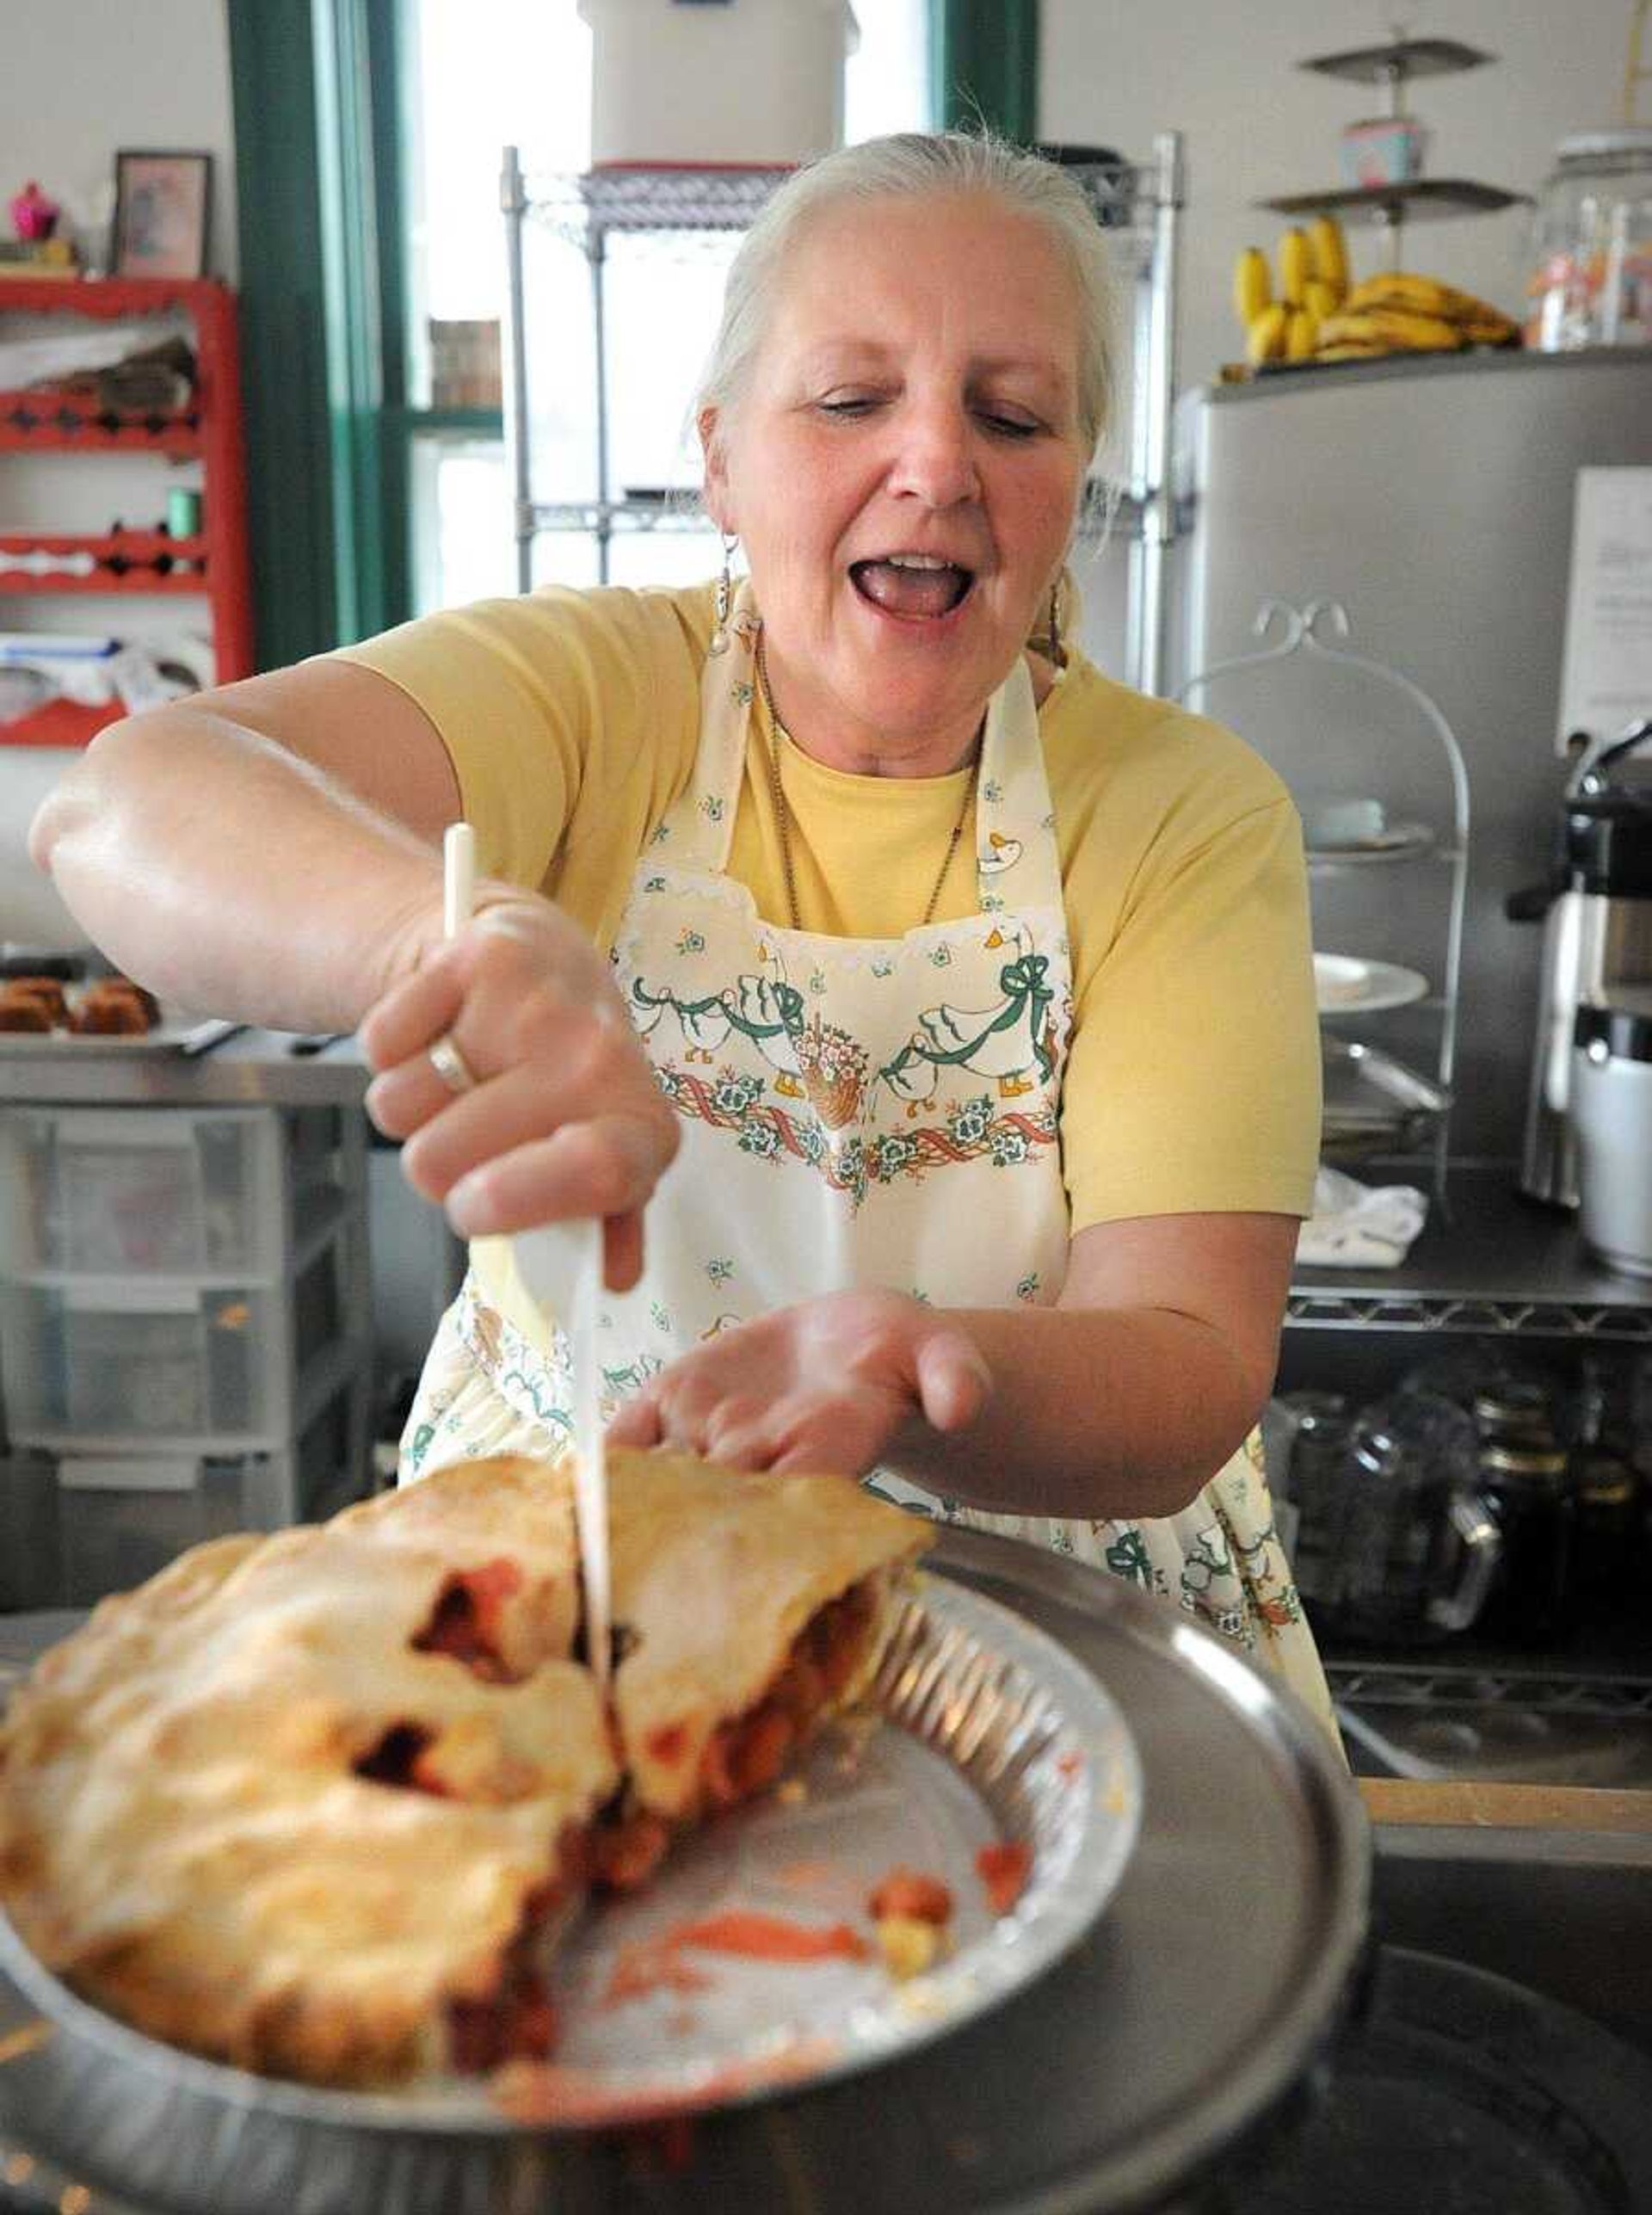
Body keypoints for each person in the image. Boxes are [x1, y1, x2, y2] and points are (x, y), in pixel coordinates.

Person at [30, 131, 1333, 1732]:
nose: (936, 464)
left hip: (1036, 1624)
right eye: (852, 399)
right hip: (572, 1582)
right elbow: (127, 801)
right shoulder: (595, 698)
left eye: (1012, 414)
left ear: (1076, 484)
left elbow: (1188, 1361)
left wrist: (906, 1363)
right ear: (719, 460)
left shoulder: (1184, 811)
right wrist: (444, 941)